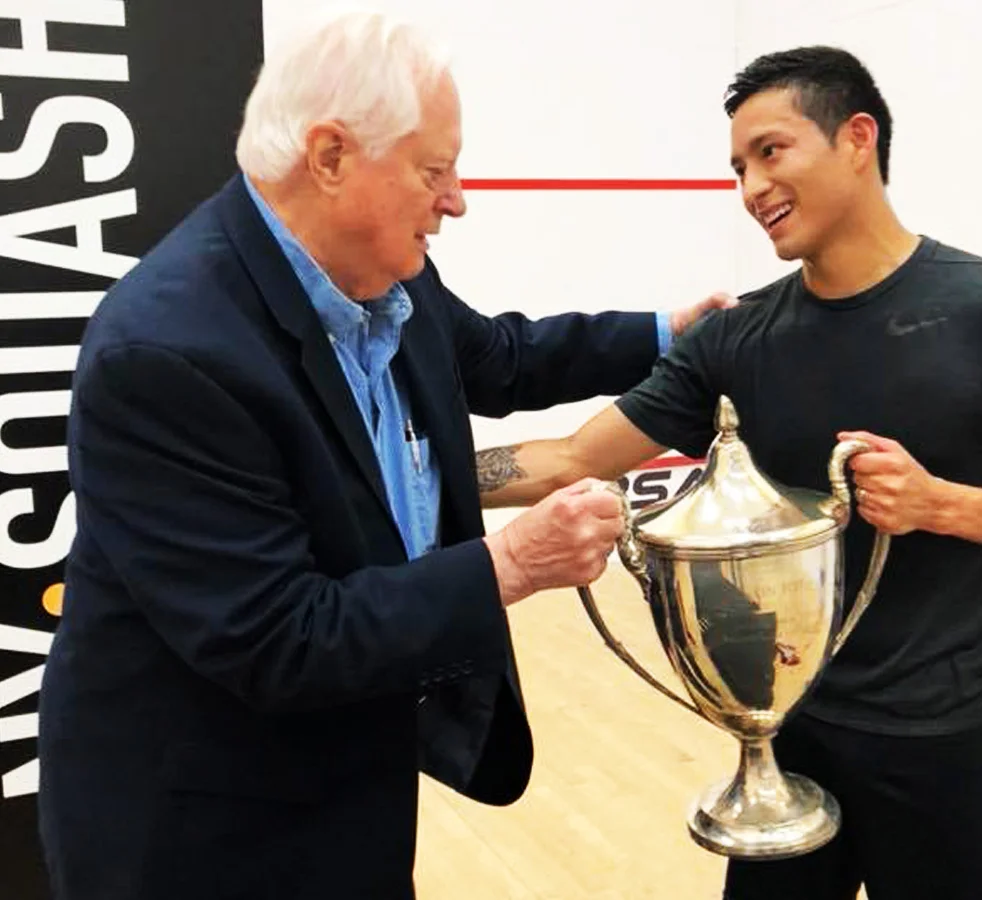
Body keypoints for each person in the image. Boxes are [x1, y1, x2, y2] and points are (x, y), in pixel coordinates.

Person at [37, 11, 731, 900]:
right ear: (329, 158)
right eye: (433, 171)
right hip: (203, 826)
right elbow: (279, 640)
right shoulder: (169, 353)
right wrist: (510, 565)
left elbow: (497, 357)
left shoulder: (380, 271)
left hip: (347, 772)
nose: (458, 200)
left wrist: (670, 334)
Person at [476, 45, 982, 900]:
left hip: (950, 740)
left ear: (857, 138)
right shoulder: (737, 338)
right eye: (738, 167)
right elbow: (570, 459)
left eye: (771, 152)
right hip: (790, 733)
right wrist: (397, 472)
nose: (750, 188)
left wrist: (940, 504)